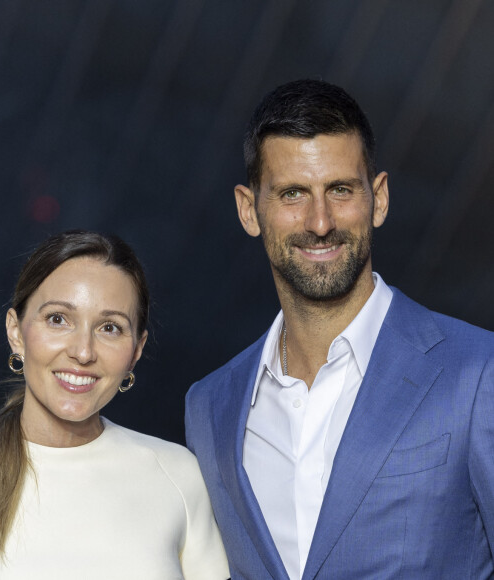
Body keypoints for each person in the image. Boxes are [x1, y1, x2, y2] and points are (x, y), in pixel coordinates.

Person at [185, 79, 494, 579]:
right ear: (249, 210)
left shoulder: (479, 374)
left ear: (379, 198)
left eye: (341, 190)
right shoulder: (209, 407)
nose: (321, 221)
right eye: (292, 194)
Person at [0, 230, 229, 580]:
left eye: (109, 327)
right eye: (58, 319)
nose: (83, 352)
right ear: (16, 333)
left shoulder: (179, 475)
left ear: (136, 351)